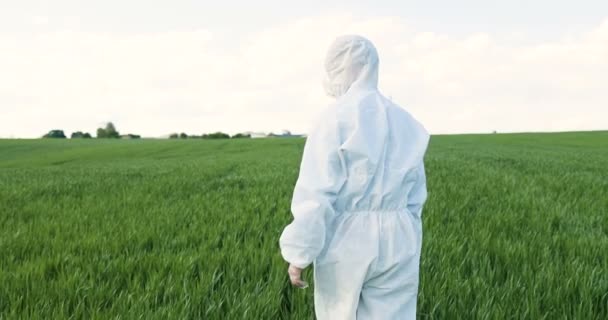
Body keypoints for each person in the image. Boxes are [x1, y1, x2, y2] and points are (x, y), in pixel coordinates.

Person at [279, 35, 430, 319]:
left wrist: (299, 254)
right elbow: (416, 196)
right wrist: (405, 232)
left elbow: (317, 193)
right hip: (400, 235)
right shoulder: (407, 121)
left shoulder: (334, 118)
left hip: (347, 239)